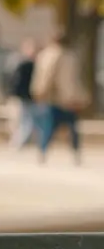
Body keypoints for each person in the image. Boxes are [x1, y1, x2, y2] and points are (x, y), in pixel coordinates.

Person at [30, 33, 88, 165]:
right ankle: (75, 154)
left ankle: (43, 152)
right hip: (69, 99)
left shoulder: (48, 55)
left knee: (49, 127)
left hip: (54, 98)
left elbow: (46, 76)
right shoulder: (71, 56)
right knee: (71, 127)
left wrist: (39, 92)